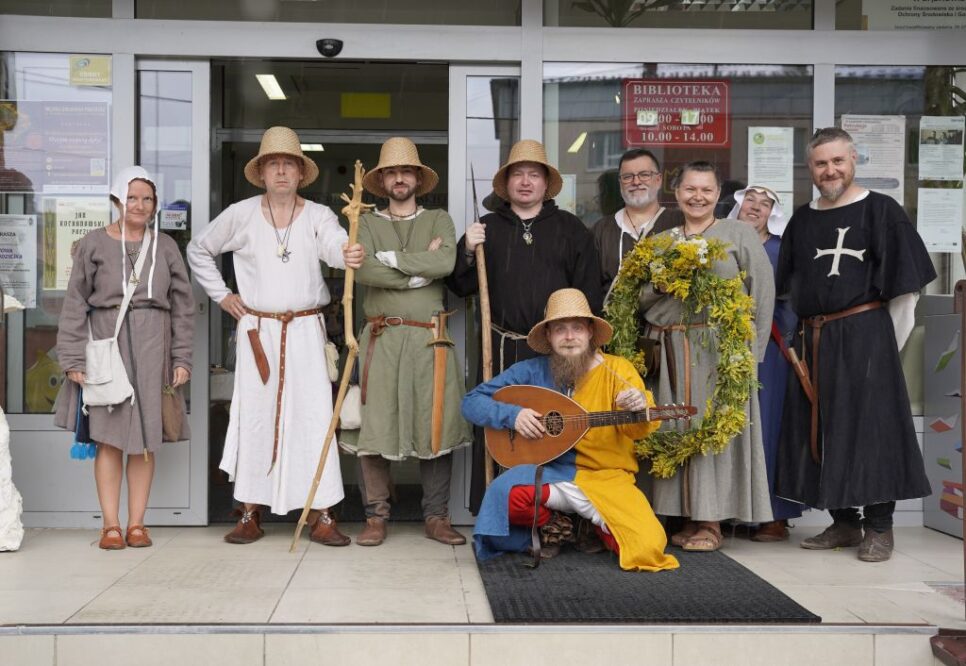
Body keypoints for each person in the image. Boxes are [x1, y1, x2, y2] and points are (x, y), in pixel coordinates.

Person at [187, 126, 364, 546]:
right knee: (255, 415)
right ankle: (249, 510)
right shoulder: (241, 213)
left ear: (301, 173)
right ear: (262, 173)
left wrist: (348, 252)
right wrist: (223, 295)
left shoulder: (319, 216)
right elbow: (198, 249)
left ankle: (322, 513)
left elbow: (335, 244)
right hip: (258, 331)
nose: (282, 171)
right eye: (274, 164)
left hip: (305, 330)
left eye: (289, 164)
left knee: (314, 417)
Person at [775, 127, 936, 562]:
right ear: (810, 169)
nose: (830, 170)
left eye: (837, 161)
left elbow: (906, 291)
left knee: (872, 430)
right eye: (820, 163)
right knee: (823, 426)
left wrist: (884, 346)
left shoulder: (882, 211)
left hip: (866, 335)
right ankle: (845, 522)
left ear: (853, 161)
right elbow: (788, 288)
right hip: (815, 337)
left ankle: (880, 527)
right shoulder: (803, 219)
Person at [462, 288, 678, 572]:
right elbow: (471, 403)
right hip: (552, 474)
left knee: (646, 546)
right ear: (549, 336)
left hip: (606, 476)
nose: (569, 336)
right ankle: (552, 523)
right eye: (560, 329)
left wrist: (637, 407)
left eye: (577, 328)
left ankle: (588, 526)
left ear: (590, 332)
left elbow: (638, 431)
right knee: (505, 496)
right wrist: (512, 415)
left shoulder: (618, 370)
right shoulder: (530, 371)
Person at [447, 139, 603, 510]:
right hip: (501, 348)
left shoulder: (571, 229)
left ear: (546, 185)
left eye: (535, 175)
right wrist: (467, 250)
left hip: (557, 352)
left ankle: (550, 514)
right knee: (504, 427)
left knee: (553, 429)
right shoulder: (487, 228)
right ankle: (498, 510)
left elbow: (589, 296)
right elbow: (460, 286)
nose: (526, 182)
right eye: (519, 174)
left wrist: (585, 347)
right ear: (507, 183)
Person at [339, 137, 472, 547]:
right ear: (382, 180)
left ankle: (436, 517)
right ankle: (376, 516)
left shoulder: (439, 220)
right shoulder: (368, 223)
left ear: (417, 178)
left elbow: (445, 262)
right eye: (392, 172)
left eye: (406, 171)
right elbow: (364, 274)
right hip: (380, 336)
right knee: (375, 425)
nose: (399, 178)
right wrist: (417, 269)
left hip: (429, 339)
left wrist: (391, 260)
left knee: (435, 425)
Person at [54, 166, 194, 550]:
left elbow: (183, 308)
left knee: (145, 440)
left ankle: (137, 524)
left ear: (154, 206)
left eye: (147, 199)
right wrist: (72, 359)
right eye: (132, 197)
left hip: (154, 354)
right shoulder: (93, 245)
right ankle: (111, 525)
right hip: (105, 349)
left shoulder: (165, 246)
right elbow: (73, 307)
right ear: (117, 200)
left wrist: (181, 358)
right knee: (110, 440)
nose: (140, 205)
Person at [640, 161, 775, 552]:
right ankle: (683, 516)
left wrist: (751, 357)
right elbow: (638, 296)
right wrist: (658, 286)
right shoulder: (661, 241)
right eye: (689, 189)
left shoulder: (739, 234)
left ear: (718, 195)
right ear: (677, 193)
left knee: (711, 434)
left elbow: (761, 295)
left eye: (706, 190)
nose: (697, 196)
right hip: (670, 352)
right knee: (674, 432)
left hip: (719, 352)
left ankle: (711, 523)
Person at [728, 186, 802, 541]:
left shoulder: (780, 249)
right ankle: (732, 512)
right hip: (722, 349)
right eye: (749, 201)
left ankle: (774, 515)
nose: (755, 207)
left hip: (769, 351)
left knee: (767, 427)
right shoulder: (721, 243)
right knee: (730, 430)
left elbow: (792, 301)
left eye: (764, 203)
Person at [591, 148, 683, 303]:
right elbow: (591, 287)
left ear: (658, 180)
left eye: (644, 175)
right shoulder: (601, 231)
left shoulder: (679, 223)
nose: (636, 182)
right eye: (628, 177)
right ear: (620, 183)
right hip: (614, 324)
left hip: (664, 325)